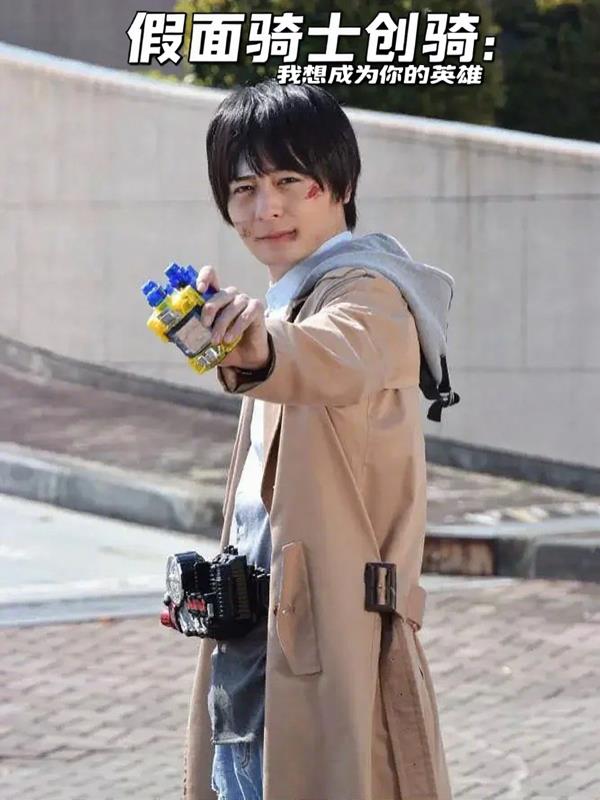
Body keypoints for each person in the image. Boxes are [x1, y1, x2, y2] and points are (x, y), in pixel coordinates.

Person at [183, 78, 457, 800]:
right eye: (243, 189)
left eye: (288, 181)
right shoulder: (286, 303)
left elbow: (328, 355)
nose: (265, 208)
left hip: (328, 656)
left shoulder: (368, 293)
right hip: (251, 656)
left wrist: (257, 350)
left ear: (340, 184)